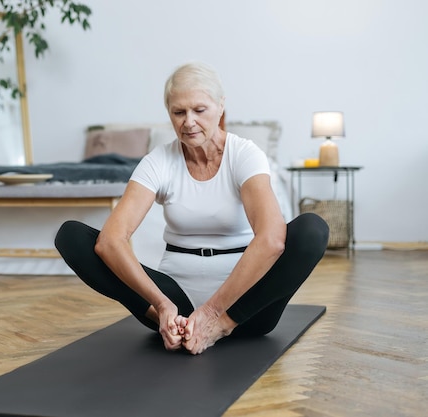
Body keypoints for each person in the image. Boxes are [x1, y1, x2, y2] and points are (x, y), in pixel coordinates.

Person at [55, 62, 329, 355]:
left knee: (312, 230)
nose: (188, 122)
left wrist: (214, 315)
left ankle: (222, 326)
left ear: (220, 107)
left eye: (199, 110)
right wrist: (161, 305)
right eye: (178, 112)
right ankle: (173, 323)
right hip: (177, 300)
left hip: (245, 308)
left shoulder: (245, 154)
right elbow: (112, 240)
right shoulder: (158, 161)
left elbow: (272, 239)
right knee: (70, 236)